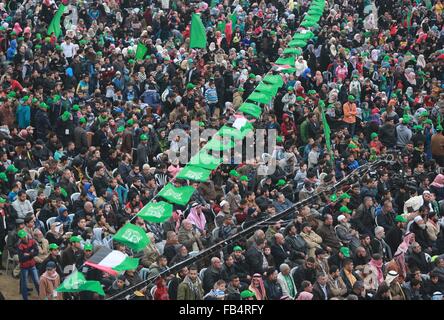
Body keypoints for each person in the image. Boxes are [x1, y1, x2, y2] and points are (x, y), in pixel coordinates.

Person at [17, 229, 40, 300]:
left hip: (32, 265)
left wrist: (28, 254)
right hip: (24, 267)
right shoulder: (20, 246)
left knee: (37, 281)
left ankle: (41, 295)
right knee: (24, 284)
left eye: (25, 236)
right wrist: (31, 254)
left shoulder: (32, 241)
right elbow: (21, 259)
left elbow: (37, 251)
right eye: (23, 237)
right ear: (20, 238)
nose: (25, 237)